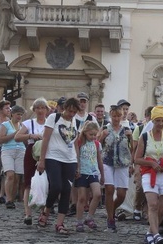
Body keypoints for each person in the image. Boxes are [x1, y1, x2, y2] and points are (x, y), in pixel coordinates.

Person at [134, 106, 163, 244]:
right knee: (152, 205)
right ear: (152, 121)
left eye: (162, 121)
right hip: (150, 173)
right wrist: (151, 163)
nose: (160, 124)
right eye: (157, 120)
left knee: (162, 208)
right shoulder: (145, 137)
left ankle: (150, 233)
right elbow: (137, 158)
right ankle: (156, 235)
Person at [36, 97, 80, 234]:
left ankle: (60, 223)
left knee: (66, 190)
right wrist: (42, 160)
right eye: (69, 111)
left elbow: (75, 144)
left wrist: (77, 163)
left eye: (74, 112)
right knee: (56, 186)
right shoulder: (54, 118)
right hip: (53, 157)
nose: (71, 114)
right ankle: (46, 210)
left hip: (70, 159)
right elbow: (46, 139)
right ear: (64, 108)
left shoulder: (76, 122)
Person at [15, 97, 49, 225]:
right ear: (34, 110)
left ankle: (43, 212)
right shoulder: (29, 123)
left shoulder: (50, 123)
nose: (40, 110)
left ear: (46, 110)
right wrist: (30, 135)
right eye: (38, 108)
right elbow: (17, 137)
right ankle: (28, 213)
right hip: (32, 151)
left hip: (46, 152)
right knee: (28, 182)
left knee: (45, 182)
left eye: (42, 108)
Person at [101, 105, 134, 232]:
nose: (116, 118)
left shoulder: (127, 129)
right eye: (114, 116)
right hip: (108, 161)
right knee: (109, 189)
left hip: (123, 162)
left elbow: (132, 149)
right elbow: (98, 144)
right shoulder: (105, 128)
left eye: (118, 115)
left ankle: (112, 209)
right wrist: (101, 137)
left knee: (121, 194)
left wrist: (131, 163)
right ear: (110, 116)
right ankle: (110, 219)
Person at [74, 121, 103, 232]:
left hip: (93, 172)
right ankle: (79, 220)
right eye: (91, 134)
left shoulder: (96, 144)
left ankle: (89, 217)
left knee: (97, 194)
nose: (93, 137)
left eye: (95, 134)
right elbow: (76, 155)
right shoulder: (80, 142)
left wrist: (102, 174)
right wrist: (77, 168)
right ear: (85, 132)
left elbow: (99, 160)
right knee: (81, 198)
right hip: (82, 172)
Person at [0, 105, 26, 210]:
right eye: (18, 114)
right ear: (12, 114)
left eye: (21, 115)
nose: (19, 116)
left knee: (17, 177)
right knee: (10, 175)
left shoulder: (23, 126)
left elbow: (25, 140)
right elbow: (1, 140)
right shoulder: (5, 125)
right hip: (8, 150)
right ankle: (8, 199)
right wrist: (15, 134)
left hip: (20, 151)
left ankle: (12, 199)